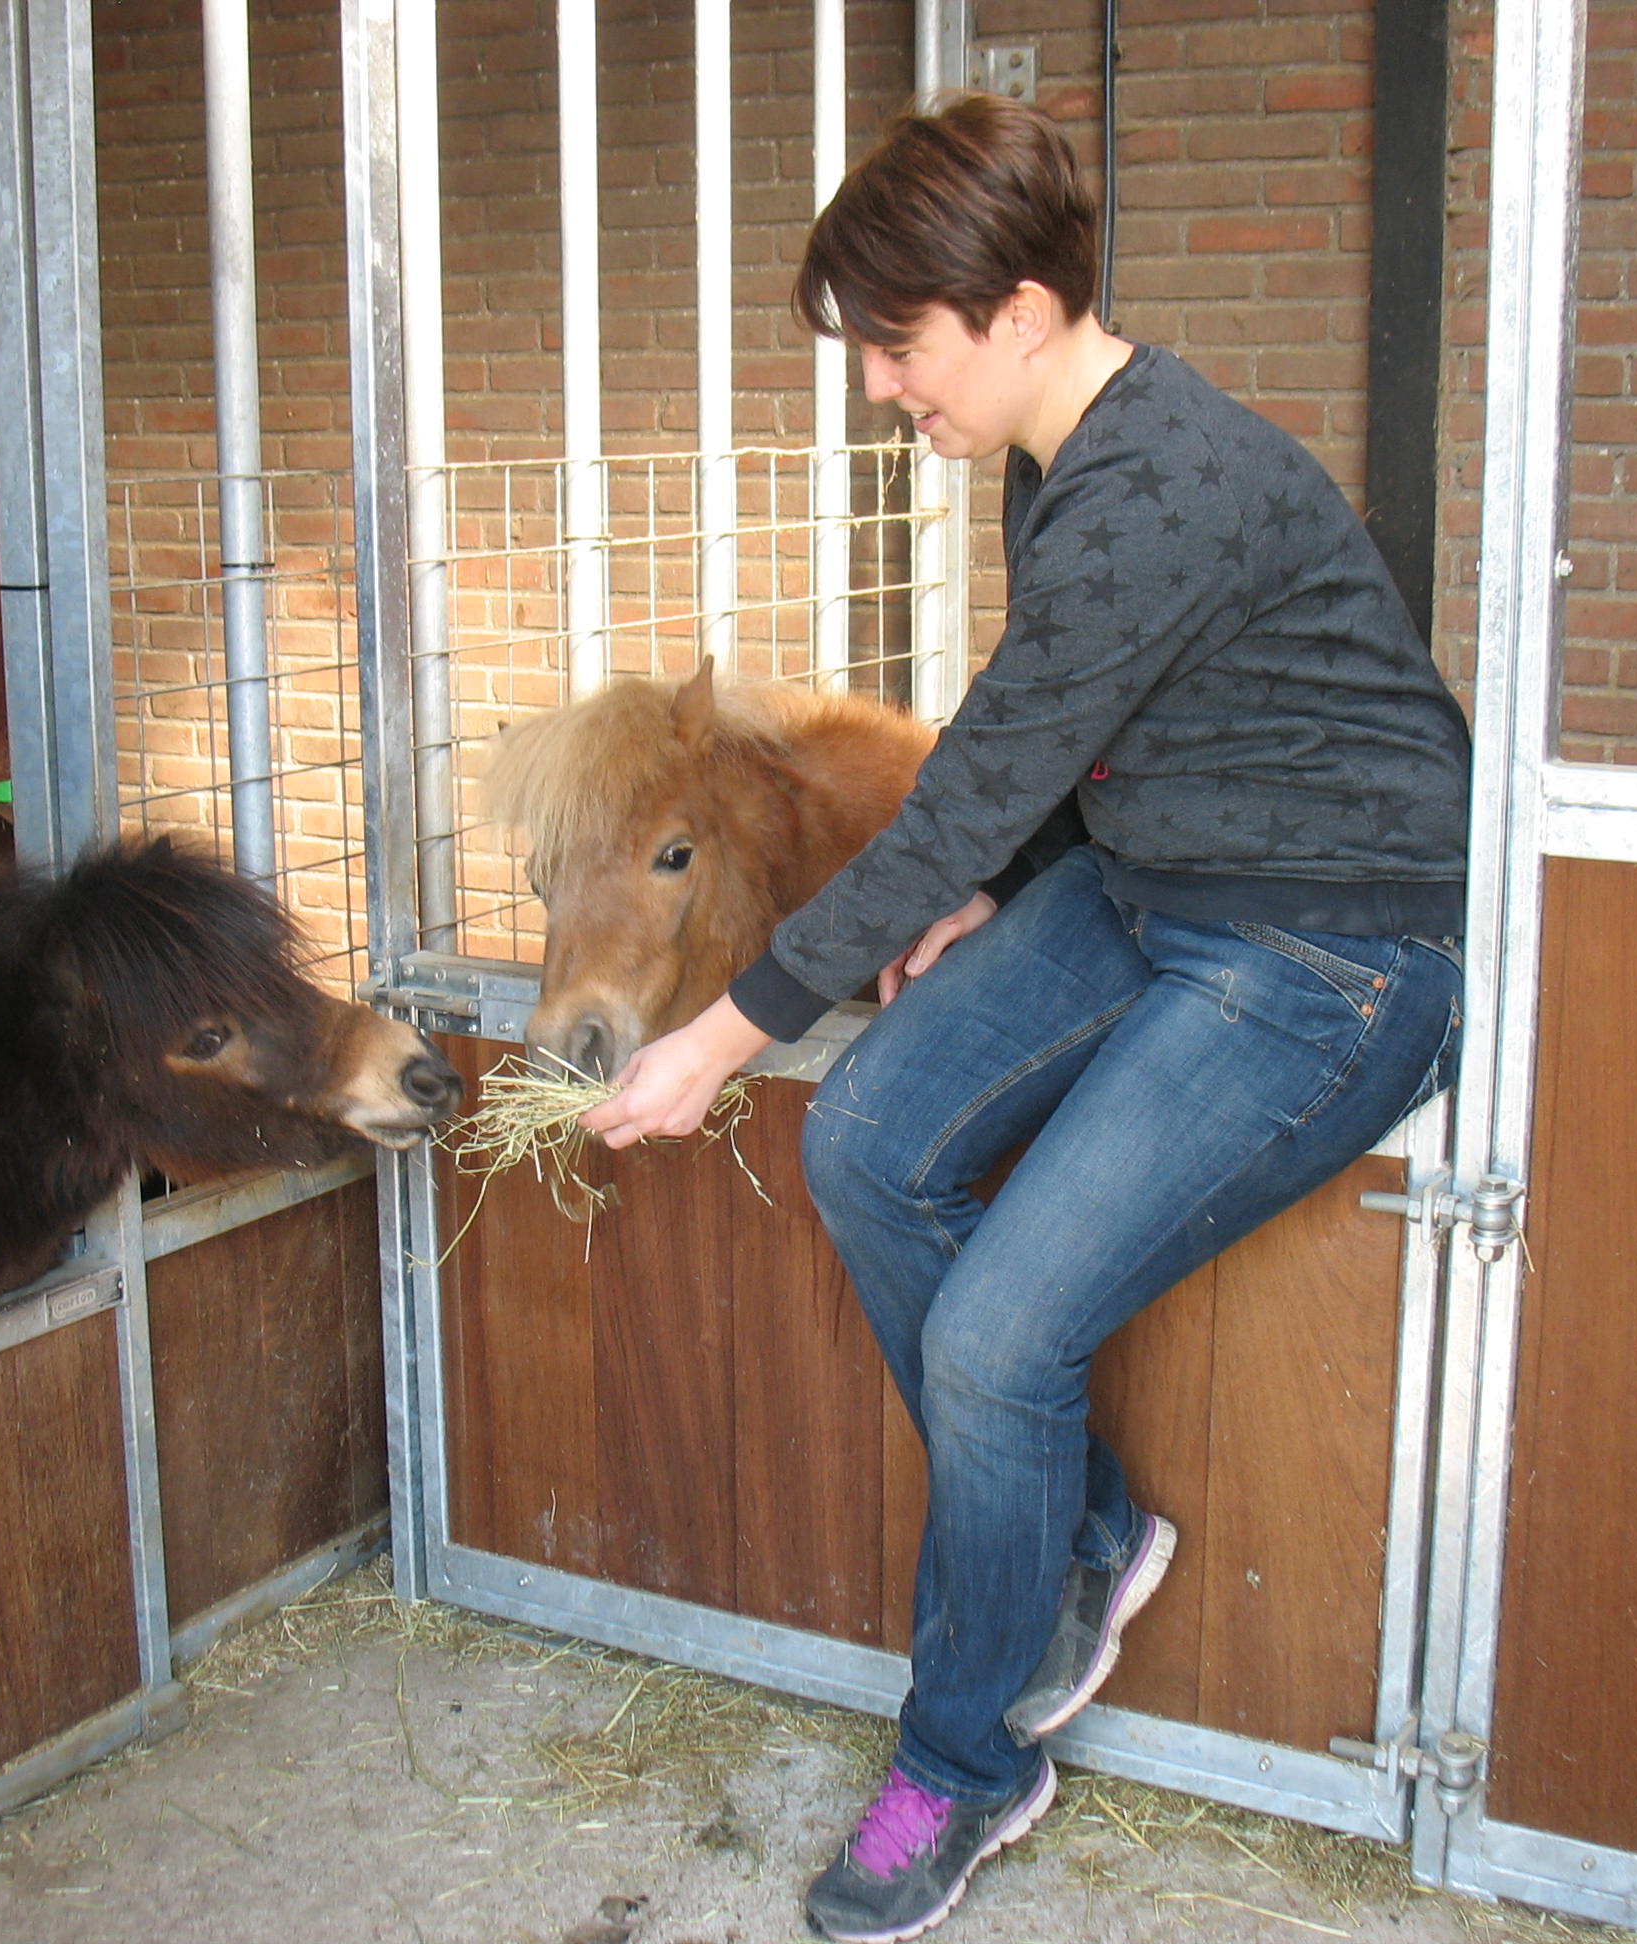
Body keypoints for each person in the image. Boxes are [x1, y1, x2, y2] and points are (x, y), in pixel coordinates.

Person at [579, 92, 1470, 1944]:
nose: (886, 387)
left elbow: (976, 770)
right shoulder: (1060, 456)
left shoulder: (1155, 484)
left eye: (902, 347)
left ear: (1028, 307)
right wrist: (1006, 874)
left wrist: (718, 1034)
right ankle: (1074, 1536)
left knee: (994, 1339)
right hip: (1152, 884)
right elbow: (1073, 730)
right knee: (870, 1141)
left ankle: (966, 1762)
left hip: (1327, 953)